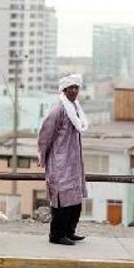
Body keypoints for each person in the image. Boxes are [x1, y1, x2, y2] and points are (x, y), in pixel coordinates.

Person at [37, 74, 88, 246]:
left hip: (73, 164)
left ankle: (69, 232)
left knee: (75, 200)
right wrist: (42, 157)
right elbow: (45, 135)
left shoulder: (75, 108)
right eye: (70, 88)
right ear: (64, 90)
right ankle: (57, 235)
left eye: (76, 88)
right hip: (59, 163)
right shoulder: (58, 109)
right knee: (61, 201)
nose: (74, 91)